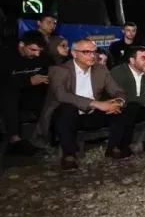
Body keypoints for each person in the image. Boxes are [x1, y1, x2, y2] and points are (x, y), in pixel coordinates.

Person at [43, 39, 127, 170]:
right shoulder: (59, 70)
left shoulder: (100, 69)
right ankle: (69, 155)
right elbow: (62, 95)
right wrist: (96, 103)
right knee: (67, 108)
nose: (92, 56)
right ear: (75, 54)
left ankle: (113, 147)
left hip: (92, 115)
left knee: (118, 108)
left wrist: (118, 102)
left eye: (94, 52)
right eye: (87, 52)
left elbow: (117, 90)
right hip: (69, 117)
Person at [1, 31, 50, 157]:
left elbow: (50, 71)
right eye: (33, 50)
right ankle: (15, 139)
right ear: (21, 45)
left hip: (31, 94)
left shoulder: (42, 57)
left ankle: (44, 138)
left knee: (47, 97)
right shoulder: (6, 56)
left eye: (39, 50)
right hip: (9, 95)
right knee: (9, 95)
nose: (37, 54)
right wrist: (28, 81)